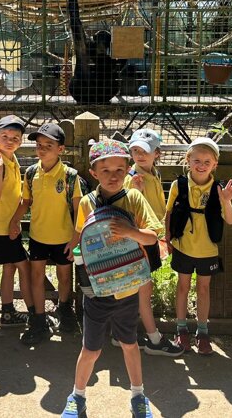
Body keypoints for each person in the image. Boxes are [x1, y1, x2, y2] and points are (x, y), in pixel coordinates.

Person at [62, 140, 162, 418]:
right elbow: (82, 233)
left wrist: (130, 232)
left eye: (120, 169)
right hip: (97, 290)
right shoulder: (87, 202)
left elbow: (153, 237)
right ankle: (77, 396)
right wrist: (75, 247)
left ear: (128, 169)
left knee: (130, 345)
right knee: (90, 349)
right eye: (105, 170)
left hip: (128, 289)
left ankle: (138, 395)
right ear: (93, 172)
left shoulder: (134, 199)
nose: (113, 175)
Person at [165, 137, 232, 355]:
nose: (201, 165)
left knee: (203, 289)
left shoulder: (218, 189)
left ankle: (202, 331)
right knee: (182, 286)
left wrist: (226, 200)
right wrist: (168, 238)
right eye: (197, 160)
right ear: (188, 160)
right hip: (183, 246)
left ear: (215, 164)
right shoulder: (178, 185)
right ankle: (181, 329)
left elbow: (231, 219)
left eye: (207, 162)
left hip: (207, 250)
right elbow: (169, 213)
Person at [12, 123, 81, 345]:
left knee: (64, 277)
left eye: (48, 145)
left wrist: (75, 239)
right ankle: (39, 320)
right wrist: (14, 220)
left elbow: (79, 210)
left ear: (60, 149)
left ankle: (64, 309)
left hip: (64, 237)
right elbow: (26, 202)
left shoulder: (70, 176)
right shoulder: (31, 173)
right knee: (36, 277)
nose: (42, 149)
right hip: (38, 236)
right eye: (39, 144)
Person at [122, 129, 183, 356]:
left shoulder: (153, 173)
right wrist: (135, 191)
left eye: (145, 151)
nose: (139, 155)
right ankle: (154, 339)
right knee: (143, 289)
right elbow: (128, 213)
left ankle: (122, 334)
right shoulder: (132, 179)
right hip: (139, 241)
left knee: (137, 289)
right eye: (135, 150)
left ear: (157, 153)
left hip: (150, 238)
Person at [0, 115, 34, 328]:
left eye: (15, 138)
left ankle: (8, 312)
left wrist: (16, 221)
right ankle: (34, 313)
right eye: (5, 136)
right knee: (24, 267)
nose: (10, 141)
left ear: (21, 141)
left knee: (10, 268)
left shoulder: (12, 158)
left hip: (10, 225)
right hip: (0, 227)